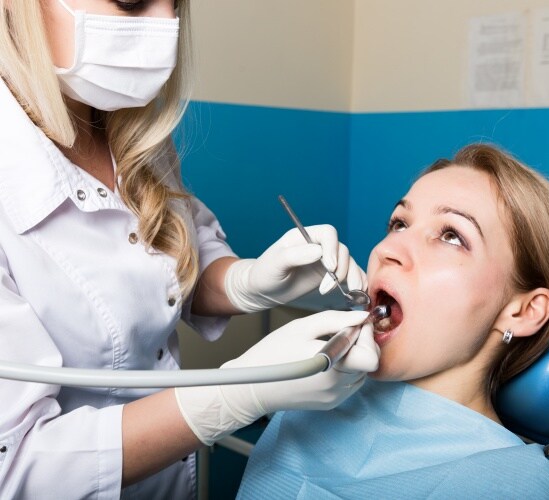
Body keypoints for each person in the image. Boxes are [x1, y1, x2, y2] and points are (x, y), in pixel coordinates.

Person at [0, 1, 380, 498]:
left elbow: (166, 258)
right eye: (133, 0)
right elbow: (16, 469)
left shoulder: (131, 133)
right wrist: (232, 395)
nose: (165, 26)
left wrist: (246, 281)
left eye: (175, 2)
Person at [237, 143, 549, 499]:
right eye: (399, 223)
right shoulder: (305, 404)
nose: (386, 250)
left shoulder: (527, 487)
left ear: (523, 311)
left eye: (451, 235)